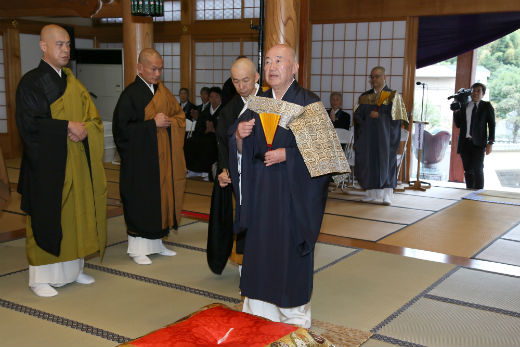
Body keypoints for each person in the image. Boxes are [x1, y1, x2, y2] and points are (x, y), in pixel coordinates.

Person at [228, 44, 348, 328]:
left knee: (288, 255)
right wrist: (241, 138)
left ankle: (294, 318)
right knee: (261, 253)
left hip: (293, 198)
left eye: (279, 60)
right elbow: (246, 152)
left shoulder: (309, 104)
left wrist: (289, 154)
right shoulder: (259, 103)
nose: (272, 66)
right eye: (268, 61)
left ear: (295, 67)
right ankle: (260, 315)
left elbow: (325, 159)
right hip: (262, 196)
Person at [16, 24, 107, 297]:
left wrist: (85, 130)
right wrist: (66, 125)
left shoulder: (72, 82)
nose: (66, 49)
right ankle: (40, 278)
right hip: (47, 166)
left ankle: (73, 269)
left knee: (74, 216)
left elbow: (93, 120)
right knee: (49, 217)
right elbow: (29, 125)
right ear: (43, 46)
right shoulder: (30, 83)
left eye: (68, 44)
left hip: (75, 161)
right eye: (59, 44)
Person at [113, 48, 186, 265]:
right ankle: (137, 247)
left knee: (160, 200)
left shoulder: (161, 92)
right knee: (142, 202)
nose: (157, 74)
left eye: (160, 69)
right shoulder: (130, 95)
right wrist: (151, 124)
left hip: (162, 160)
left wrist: (169, 123)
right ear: (140, 68)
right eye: (153, 69)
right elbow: (121, 131)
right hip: (140, 163)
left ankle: (157, 243)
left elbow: (179, 116)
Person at [207, 58, 260, 275]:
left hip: (265, 174)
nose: (241, 86)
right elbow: (221, 142)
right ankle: (243, 271)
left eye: (246, 80)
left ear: (257, 78)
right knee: (242, 219)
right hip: (240, 177)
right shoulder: (230, 110)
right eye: (236, 81)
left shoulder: (269, 101)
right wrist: (223, 169)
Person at [354, 66, 408, 206]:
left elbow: (398, 120)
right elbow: (358, 117)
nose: (374, 79)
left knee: (386, 164)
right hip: (368, 138)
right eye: (372, 77)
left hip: (385, 139)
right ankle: (370, 194)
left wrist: (381, 116)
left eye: (377, 76)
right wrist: (366, 118)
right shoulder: (365, 96)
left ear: (384, 77)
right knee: (369, 163)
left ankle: (386, 195)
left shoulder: (393, 96)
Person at [453, 83, 495, 189]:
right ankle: (469, 191)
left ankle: (478, 193)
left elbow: (492, 125)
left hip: (479, 143)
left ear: (483, 94)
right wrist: (456, 111)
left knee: (478, 168)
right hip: (464, 142)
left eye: (478, 91)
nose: (475, 93)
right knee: (468, 170)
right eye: (473, 90)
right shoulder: (465, 105)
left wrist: (490, 142)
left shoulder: (486, 106)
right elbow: (458, 124)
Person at [184, 87, 223, 180]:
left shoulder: (224, 111)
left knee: (207, 144)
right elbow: (198, 127)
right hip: (204, 136)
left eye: (216, 97)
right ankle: (192, 170)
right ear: (209, 99)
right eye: (211, 97)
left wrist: (214, 130)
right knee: (189, 142)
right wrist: (206, 130)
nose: (214, 99)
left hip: (217, 139)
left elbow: (226, 129)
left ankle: (205, 172)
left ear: (221, 98)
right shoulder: (205, 111)